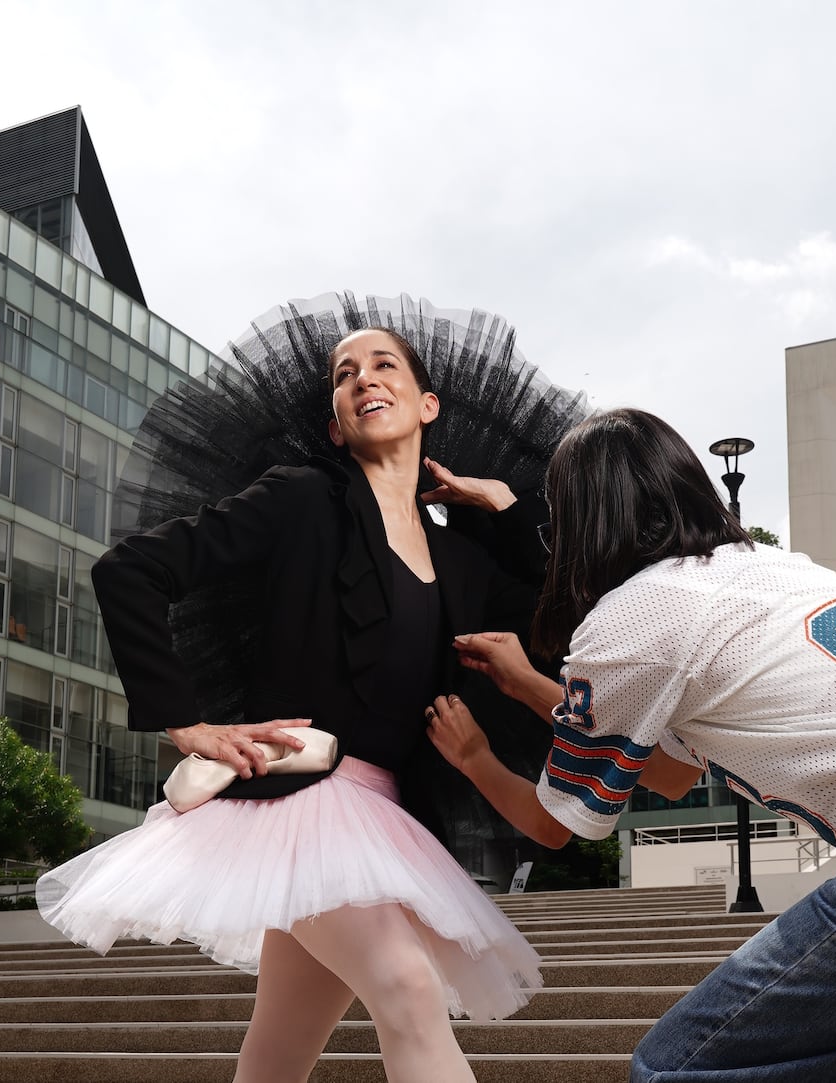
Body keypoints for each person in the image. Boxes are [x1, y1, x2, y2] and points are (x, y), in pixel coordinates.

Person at [426, 407, 836, 1083]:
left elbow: (556, 824)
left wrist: (474, 758)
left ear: (581, 521)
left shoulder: (631, 615)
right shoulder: (777, 568)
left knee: (679, 1071)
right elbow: (667, 774)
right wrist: (528, 685)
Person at [37, 312, 581, 1083]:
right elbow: (130, 570)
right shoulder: (302, 501)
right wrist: (186, 720)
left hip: (382, 815)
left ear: (427, 405)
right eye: (345, 373)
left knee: (279, 1046)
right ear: (335, 426)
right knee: (406, 987)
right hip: (297, 796)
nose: (364, 377)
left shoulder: (461, 562)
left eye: (385, 364)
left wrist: (500, 502)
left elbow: (560, 618)